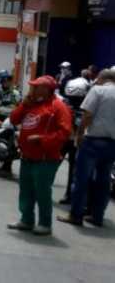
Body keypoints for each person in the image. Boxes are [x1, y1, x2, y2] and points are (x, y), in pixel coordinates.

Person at [7, 76, 72, 236]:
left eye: (36, 87)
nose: (33, 90)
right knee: (26, 190)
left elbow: (65, 133)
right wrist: (24, 104)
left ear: (46, 89)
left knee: (42, 192)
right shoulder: (31, 103)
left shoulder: (58, 107)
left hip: (45, 159)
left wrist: (42, 139)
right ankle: (26, 220)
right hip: (27, 156)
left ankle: (45, 223)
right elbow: (14, 119)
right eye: (33, 87)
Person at [58, 69, 115, 228]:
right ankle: (97, 216)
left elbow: (88, 114)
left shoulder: (98, 90)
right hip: (112, 144)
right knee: (103, 181)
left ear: (102, 79)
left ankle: (76, 215)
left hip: (93, 140)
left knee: (81, 178)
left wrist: (80, 133)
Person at [59, 69, 92, 204]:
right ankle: (69, 195)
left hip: (74, 139)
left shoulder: (83, 106)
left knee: (73, 168)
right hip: (68, 138)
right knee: (72, 168)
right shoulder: (66, 105)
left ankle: (69, 195)